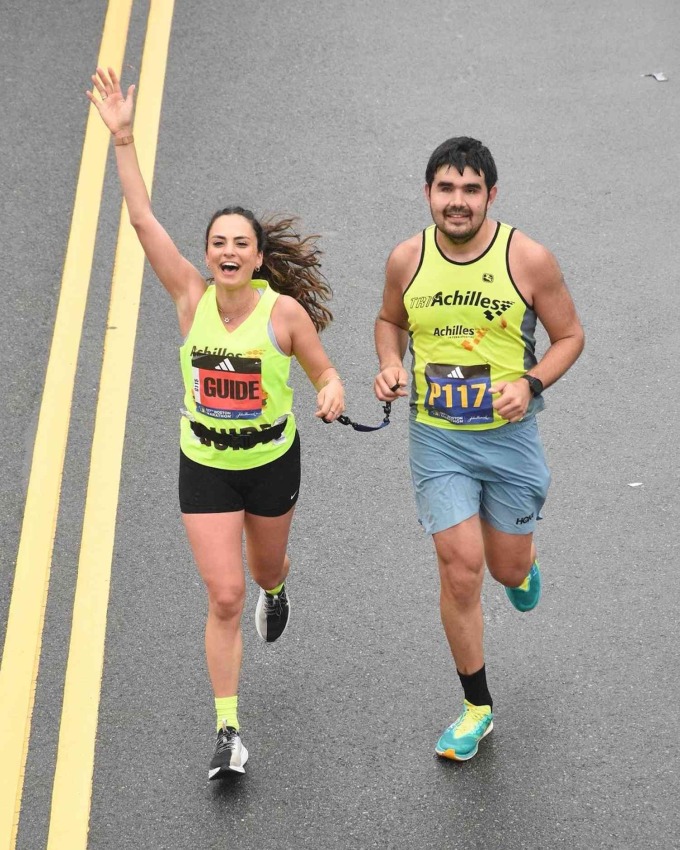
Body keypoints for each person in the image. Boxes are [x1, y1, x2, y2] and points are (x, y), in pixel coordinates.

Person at [87, 67, 345, 779]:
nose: (229, 252)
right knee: (223, 594)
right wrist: (124, 138)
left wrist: (329, 390)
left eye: (242, 244)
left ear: (259, 259)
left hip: (270, 463)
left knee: (263, 571)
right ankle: (228, 731)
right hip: (203, 462)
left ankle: (279, 585)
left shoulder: (283, 314)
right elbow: (142, 219)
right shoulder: (188, 296)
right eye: (218, 243)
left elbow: (324, 370)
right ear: (206, 254)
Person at [374, 137, 584, 761]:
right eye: (446, 189)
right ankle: (476, 707)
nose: (457, 202)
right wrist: (389, 363)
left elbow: (569, 335)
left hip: (510, 440)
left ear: (492, 194)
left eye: (470, 190)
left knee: (505, 569)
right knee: (459, 567)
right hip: (438, 437)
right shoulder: (406, 259)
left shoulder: (528, 259)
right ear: (428, 193)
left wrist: (531, 381)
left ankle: (522, 566)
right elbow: (390, 322)